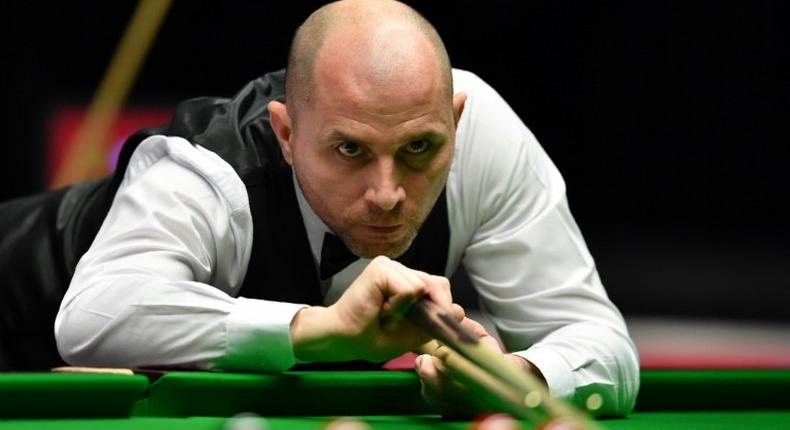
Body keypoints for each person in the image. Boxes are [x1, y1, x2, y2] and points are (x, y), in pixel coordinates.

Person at [0, 0, 638, 419]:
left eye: (419, 148)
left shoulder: (486, 139)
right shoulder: (206, 169)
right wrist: (323, 328)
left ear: (455, 122)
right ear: (284, 134)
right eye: (350, 149)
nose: (387, 191)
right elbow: (91, 317)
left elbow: (602, 343)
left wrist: (516, 370)